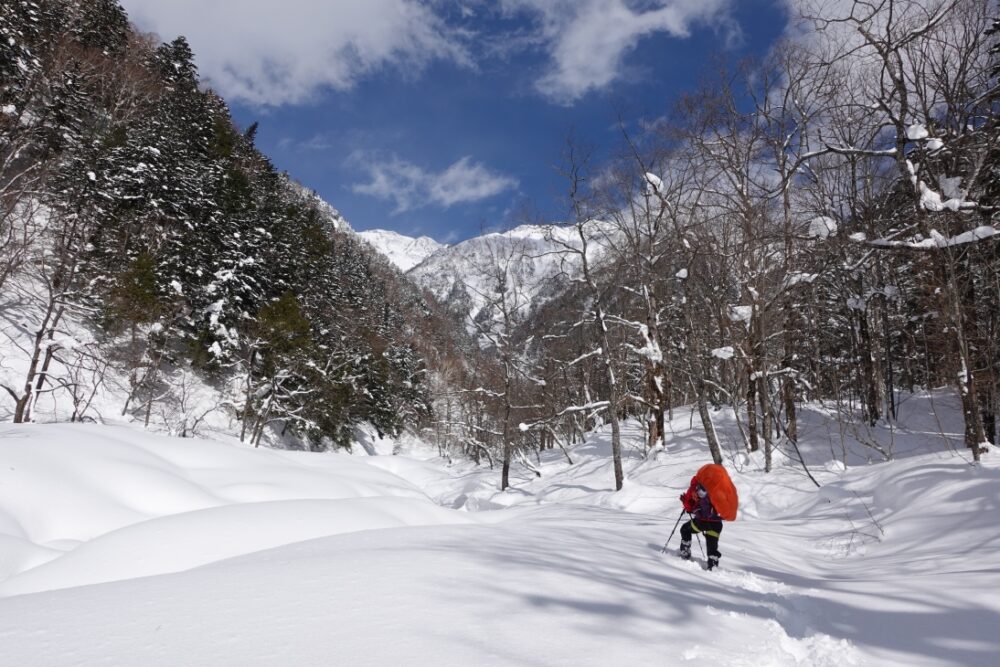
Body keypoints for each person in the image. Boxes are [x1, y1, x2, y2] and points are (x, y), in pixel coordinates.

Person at [678, 476, 724, 570]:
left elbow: (689, 508)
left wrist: (685, 502)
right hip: (716, 525)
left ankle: (685, 552)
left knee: (685, 529)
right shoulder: (716, 488)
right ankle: (713, 565)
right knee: (712, 545)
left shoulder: (695, 488)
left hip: (702, 522)